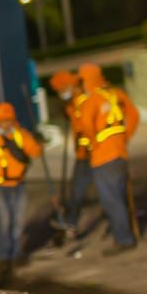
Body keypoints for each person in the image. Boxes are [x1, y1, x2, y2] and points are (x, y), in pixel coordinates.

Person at [77, 63, 140, 255]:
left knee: (111, 200)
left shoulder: (92, 100)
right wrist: (125, 137)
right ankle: (125, 232)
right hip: (120, 153)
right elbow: (134, 115)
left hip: (103, 158)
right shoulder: (115, 94)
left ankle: (124, 239)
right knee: (119, 196)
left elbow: (85, 124)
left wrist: (93, 143)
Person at [0, 102, 43, 282]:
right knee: (3, 221)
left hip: (17, 185)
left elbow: (35, 153)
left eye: (8, 120)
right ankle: (4, 257)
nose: (6, 124)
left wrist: (37, 141)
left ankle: (16, 254)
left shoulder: (21, 135)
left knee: (18, 221)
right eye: (3, 121)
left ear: (13, 120)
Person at [48, 70, 92, 235]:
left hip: (91, 154)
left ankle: (71, 221)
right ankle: (71, 222)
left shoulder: (84, 102)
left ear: (69, 86)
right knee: (76, 189)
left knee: (81, 189)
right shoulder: (73, 104)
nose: (61, 94)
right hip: (83, 154)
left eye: (61, 90)